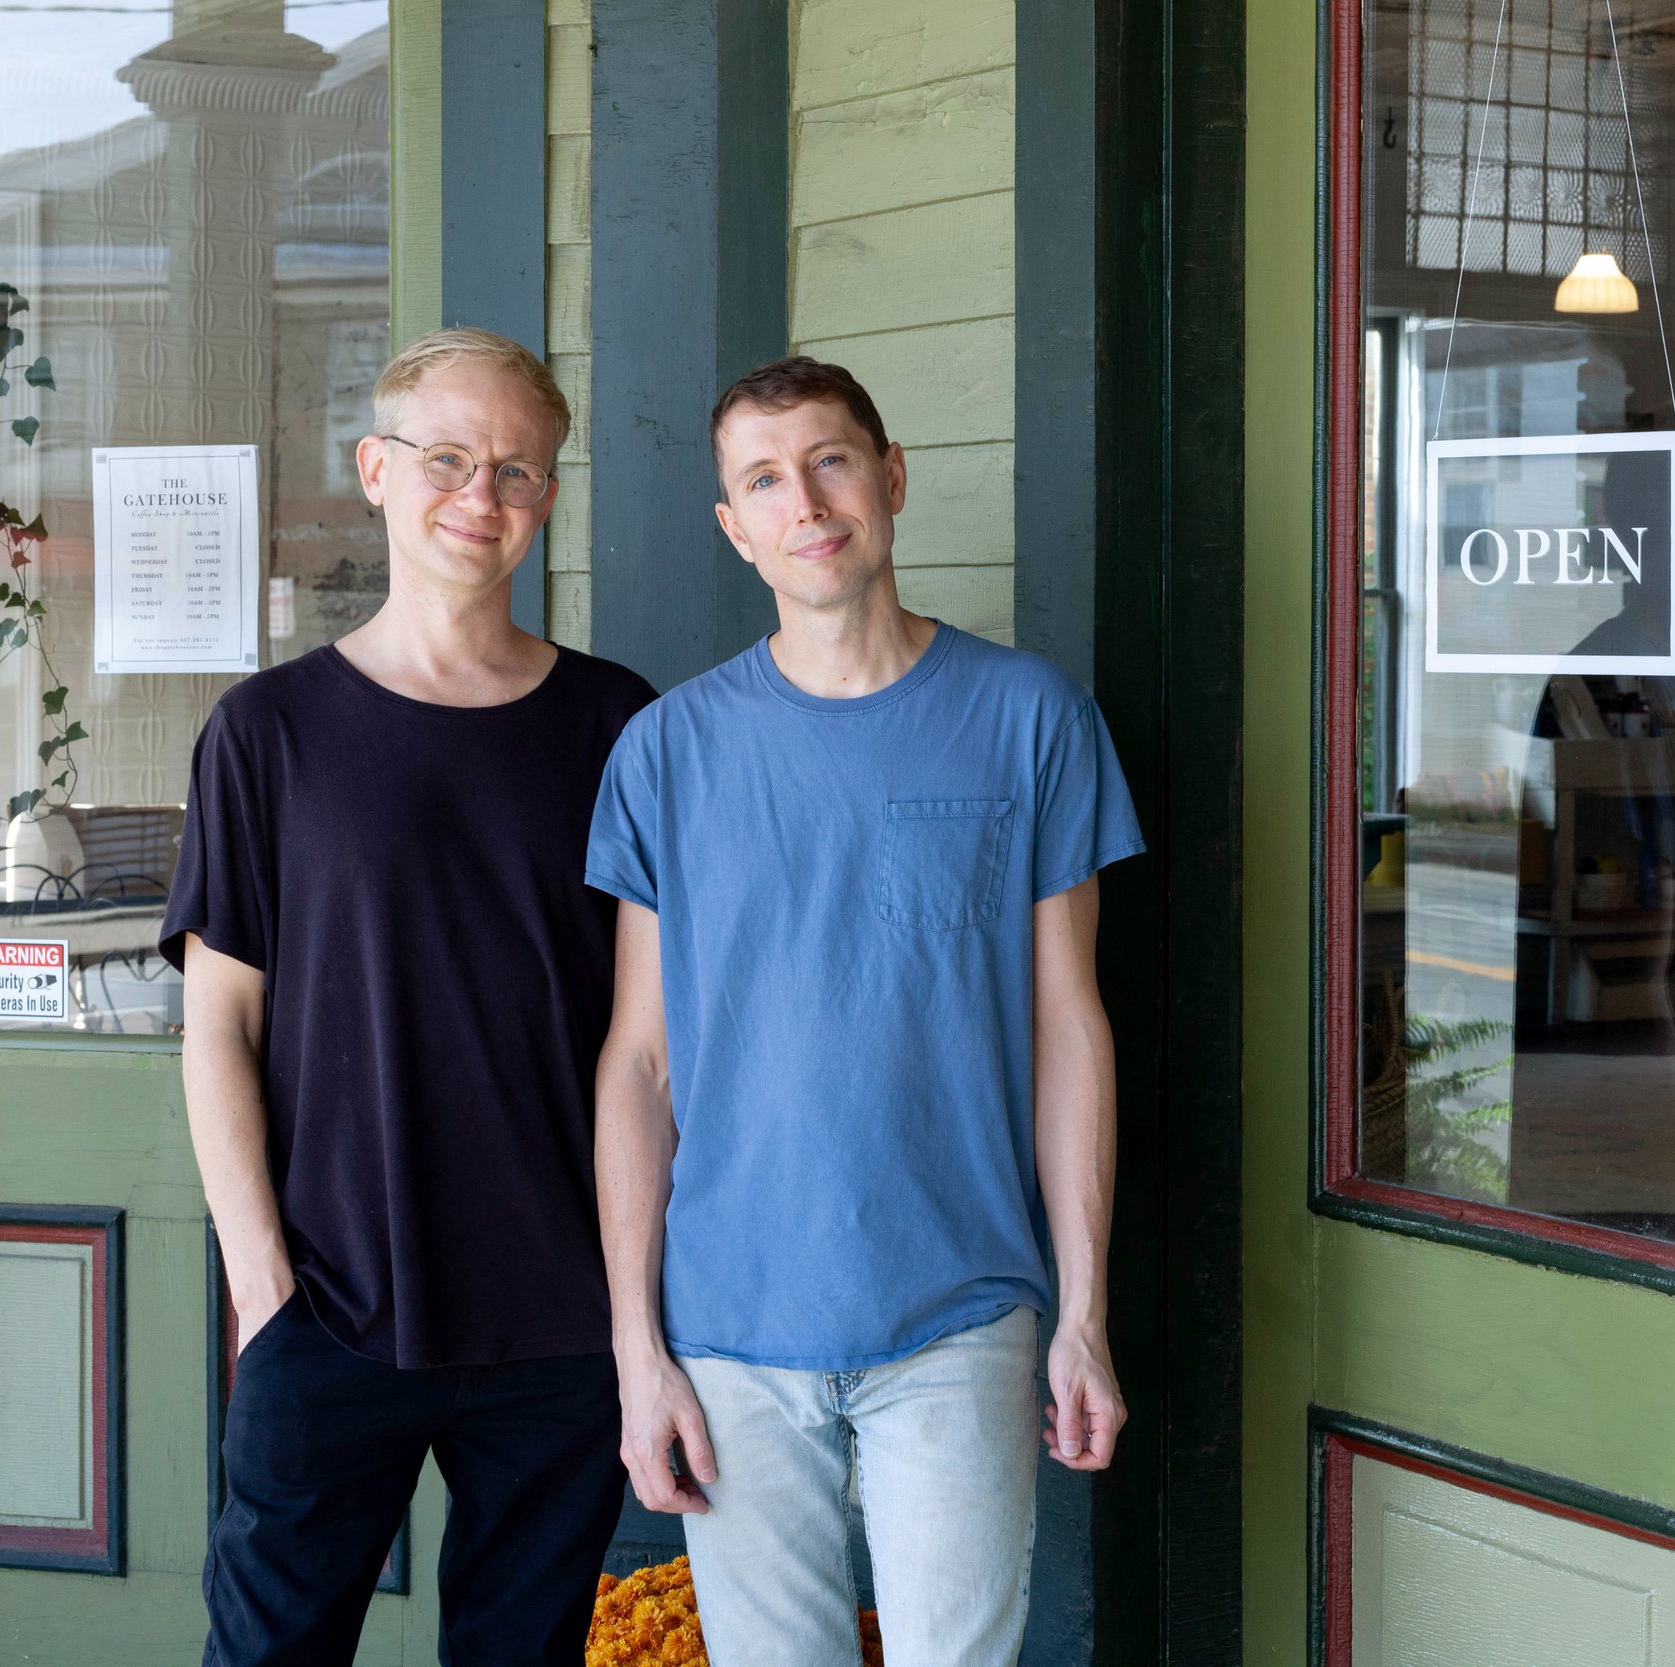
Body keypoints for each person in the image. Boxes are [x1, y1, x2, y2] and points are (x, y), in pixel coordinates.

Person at [586, 356, 1142, 1666]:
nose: (807, 501)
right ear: (734, 527)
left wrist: (1083, 1313)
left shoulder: (1030, 719)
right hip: (727, 1327)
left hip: (959, 1311)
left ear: (890, 477)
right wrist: (636, 1350)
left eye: (832, 460)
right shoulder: (667, 752)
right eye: (764, 480)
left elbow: (1072, 1028)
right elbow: (640, 1063)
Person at [164, 327, 655, 1666]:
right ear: (377, 470)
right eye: (446, 459)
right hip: (331, 1308)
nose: (479, 497)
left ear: (546, 501)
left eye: (516, 471)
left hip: (563, 1322)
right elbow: (219, 1025)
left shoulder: (620, 726)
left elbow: (651, 1039)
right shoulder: (268, 734)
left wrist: (637, 1308)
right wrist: (266, 1292)